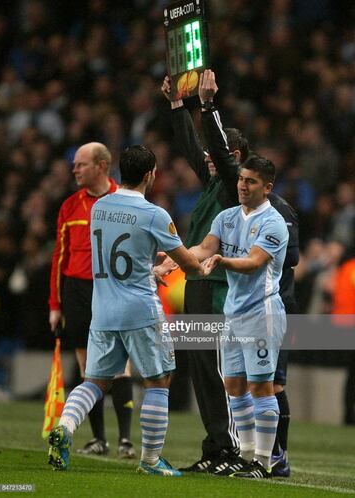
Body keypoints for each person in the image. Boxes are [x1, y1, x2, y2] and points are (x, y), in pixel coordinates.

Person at [162, 69, 298, 477]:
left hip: (224, 291)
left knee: (226, 373)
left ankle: (235, 448)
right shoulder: (216, 190)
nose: (206, 158)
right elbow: (192, 148)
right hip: (200, 285)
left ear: (236, 161)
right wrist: (176, 107)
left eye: (217, 155)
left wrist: (206, 105)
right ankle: (218, 445)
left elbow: (215, 153)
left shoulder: (230, 184)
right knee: (207, 371)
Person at [47, 145, 207, 475]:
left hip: (103, 310)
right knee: (159, 380)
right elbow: (187, 263)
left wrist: (152, 268)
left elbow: (119, 257)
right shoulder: (154, 214)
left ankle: (64, 427)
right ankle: (149, 461)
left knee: (94, 381)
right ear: (151, 175)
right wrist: (203, 268)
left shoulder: (99, 208)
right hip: (140, 311)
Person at [193, 154, 289, 479]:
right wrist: (172, 260)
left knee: (261, 386)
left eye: (250, 181)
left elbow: (253, 262)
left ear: (267, 187)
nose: (242, 186)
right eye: (240, 179)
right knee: (234, 385)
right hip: (233, 313)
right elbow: (204, 249)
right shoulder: (227, 217)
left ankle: (263, 462)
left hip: (261, 313)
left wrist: (222, 261)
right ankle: (245, 457)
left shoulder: (274, 223)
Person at [48, 142, 135, 458]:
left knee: (121, 365)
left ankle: (126, 440)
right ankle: (99, 439)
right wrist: (55, 305)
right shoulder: (70, 206)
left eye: (81, 164)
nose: (74, 170)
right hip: (78, 291)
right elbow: (60, 257)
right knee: (89, 366)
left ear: (101, 165)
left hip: (113, 289)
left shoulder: (124, 201)